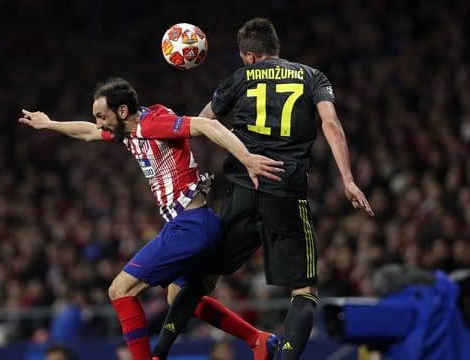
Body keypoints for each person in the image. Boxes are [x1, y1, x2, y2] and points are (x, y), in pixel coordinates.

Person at [153, 17, 375, 360]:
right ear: (275, 49)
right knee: (303, 290)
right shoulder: (311, 76)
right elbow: (331, 123)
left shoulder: (240, 78)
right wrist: (347, 179)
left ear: (250, 56)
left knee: (202, 278)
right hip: (285, 193)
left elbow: (203, 123)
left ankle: (159, 353)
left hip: (241, 190)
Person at [19, 76, 285, 360]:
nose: (98, 124)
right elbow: (87, 133)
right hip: (193, 224)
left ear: (122, 112)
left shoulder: (151, 124)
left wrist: (247, 159)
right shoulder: (129, 130)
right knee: (177, 298)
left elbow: (208, 125)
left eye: (101, 116)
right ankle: (258, 339)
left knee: (120, 290)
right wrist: (49, 124)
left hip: (190, 226)